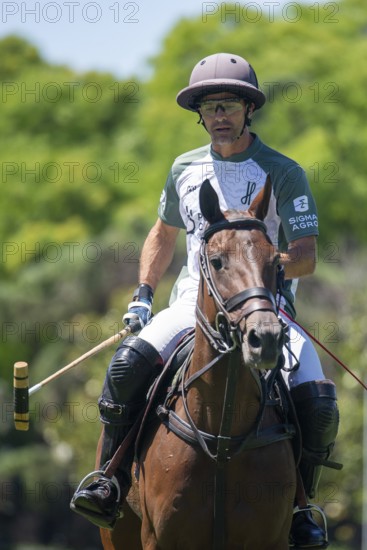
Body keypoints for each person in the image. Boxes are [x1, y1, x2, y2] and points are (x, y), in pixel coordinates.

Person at [71, 53, 339, 548]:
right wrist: (143, 295)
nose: (220, 115)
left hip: (264, 308)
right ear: (200, 113)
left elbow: (305, 256)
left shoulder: (283, 171)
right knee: (126, 366)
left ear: (247, 110)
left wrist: (257, 268)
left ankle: (303, 507)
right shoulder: (184, 168)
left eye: (230, 105)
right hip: (191, 307)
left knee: (319, 399)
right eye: (211, 106)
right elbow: (163, 235)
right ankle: (109, 480)